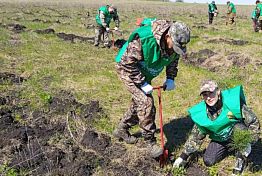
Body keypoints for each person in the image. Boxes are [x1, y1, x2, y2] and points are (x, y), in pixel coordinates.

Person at [113, 20, 191, 158]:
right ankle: (150, 142)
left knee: (138, 104)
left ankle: (121, 129)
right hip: (128, 69)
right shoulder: (144, 40)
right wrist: (142, 83)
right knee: (146, 102)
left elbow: (173, 60)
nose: (175, 50)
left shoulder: (173, 44)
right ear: (168, 37)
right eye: (175, 46)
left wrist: (170, 78)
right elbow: (127, 63)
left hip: (143, 71)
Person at [173, 80, 260, 175]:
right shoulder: (203, 113)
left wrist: (249, 141)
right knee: (208, 160)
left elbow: (253, 122)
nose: (209, 98)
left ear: (218, 92)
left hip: (237, 133)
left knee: (239, 128)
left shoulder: (231, 105)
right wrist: (183, 157)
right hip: (221, 139)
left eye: (211, 93)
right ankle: (230, 148)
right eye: (205, 95)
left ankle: (240, 159)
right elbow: (196, 135)